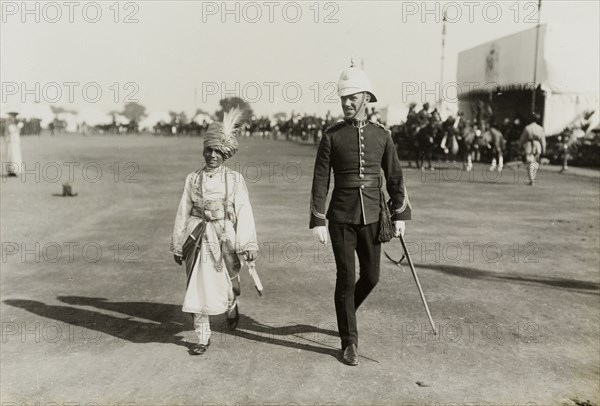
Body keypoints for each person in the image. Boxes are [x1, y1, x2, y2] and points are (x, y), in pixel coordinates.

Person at [309, 62, 412, 366]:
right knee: (346, 278)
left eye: (353, 97)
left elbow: (394, 177)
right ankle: (349, 342)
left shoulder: (382, 135)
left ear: (366, 98)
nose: (347, 103)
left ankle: (346, 312)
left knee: (372, 277)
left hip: (373, 216)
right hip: (341, 216)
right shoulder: (331, 136)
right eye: (343, 98)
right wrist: (318, 219)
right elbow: (320, 180)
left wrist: (401, 215)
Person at [170, 108, 258, 356]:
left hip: (223, 238)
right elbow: (182, 211)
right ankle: (202, 336)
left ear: (225, 154)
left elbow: (244, 211)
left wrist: (248, 243)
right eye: (209, 150)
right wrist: (178, 244)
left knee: (226, 283)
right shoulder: (192, 179)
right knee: (196, 286)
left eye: (218, 151)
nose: (212, 155)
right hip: (195, 237)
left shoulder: (235, 180)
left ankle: (231, 302)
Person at [519, 113, 546, 185]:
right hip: (537, 145)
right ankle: (532, 178)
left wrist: (520, 146)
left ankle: (532, 179)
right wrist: (544, 149)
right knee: (535, 162)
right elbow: (543, 140)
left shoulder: (528, 128)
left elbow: (522, 138)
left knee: (530, 162)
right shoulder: (540, 128)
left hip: (529, 145)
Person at [1, 111, 23, 177]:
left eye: (14, 116)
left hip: (15, 141)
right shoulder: (8, 123)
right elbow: (7, 131)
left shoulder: (16, 123)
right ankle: (11, 170)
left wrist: (18, 127)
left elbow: (18, 131)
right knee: (10, 154)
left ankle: (15, 170)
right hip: (10, 141)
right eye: (12, 116)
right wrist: (6, 137)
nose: (13, 117)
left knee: (15, 155)